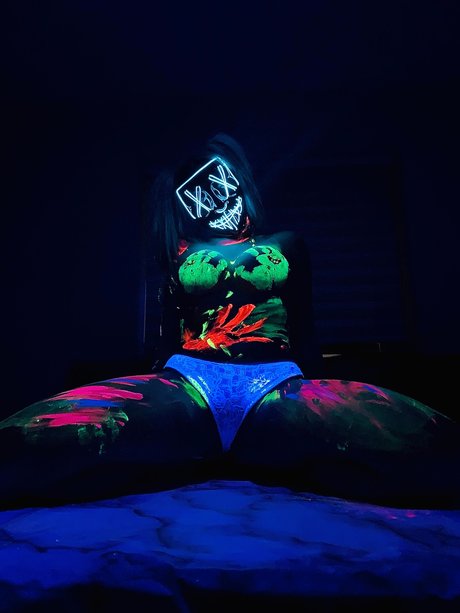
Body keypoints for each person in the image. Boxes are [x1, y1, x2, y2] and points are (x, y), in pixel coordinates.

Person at [1, 133, 458, 510]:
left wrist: (320, 397)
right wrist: (147, 401)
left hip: (278, 385)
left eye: (223, 182)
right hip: (187, 384)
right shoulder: (180, 253)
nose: (219, 201)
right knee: (36, 438)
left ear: (239, 180)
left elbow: (305, 331)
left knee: (431, 444)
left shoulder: (288, 244)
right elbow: (165, 341)